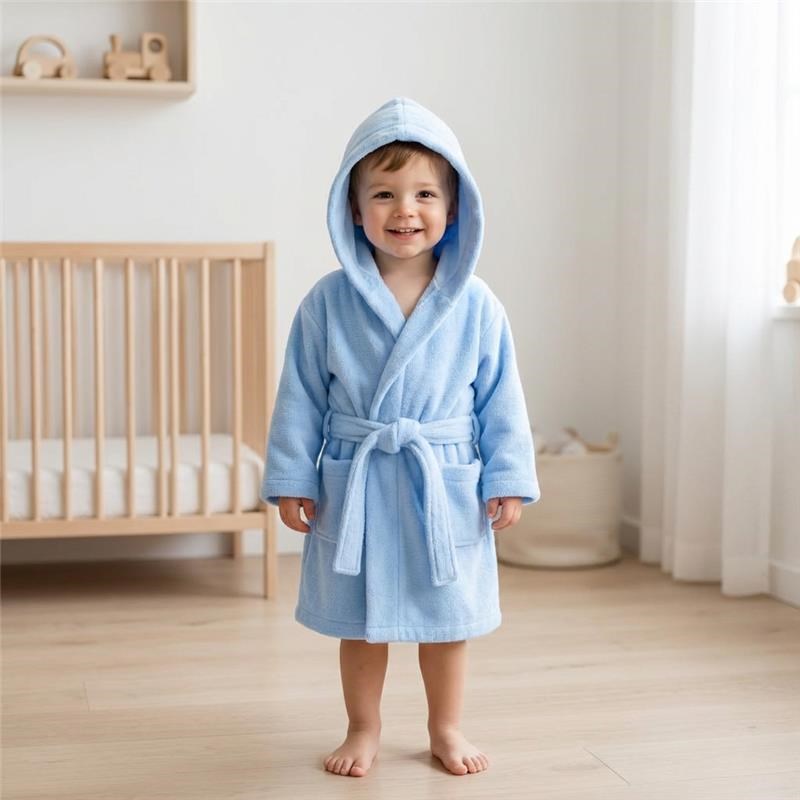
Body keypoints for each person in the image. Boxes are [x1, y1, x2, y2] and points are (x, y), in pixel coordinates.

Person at [261, 97, 540, 778]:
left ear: (455, 208)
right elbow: (300, 397)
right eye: (383, 193)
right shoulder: (327, 302)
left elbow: (502, 400)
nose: (404, 210)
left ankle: (446, 726)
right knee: (360, 622)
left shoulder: (477, 303)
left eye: (424, 194)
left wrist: (507, 477)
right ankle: (363, 727)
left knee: (448, 620)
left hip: (442, 481)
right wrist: (293, 478)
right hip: (356, 478)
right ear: (353, 209)